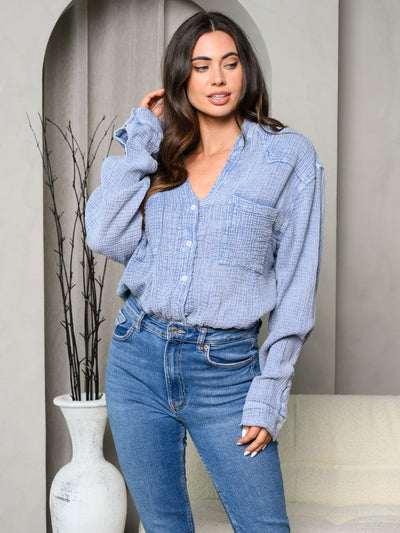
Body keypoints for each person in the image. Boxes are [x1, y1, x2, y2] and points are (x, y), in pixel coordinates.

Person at [85, 10, 324, 533]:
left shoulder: (287, 158)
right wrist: (141, 138)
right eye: (201, 66)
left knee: (264, 526)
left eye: (229, 63)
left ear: (246, 70)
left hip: (227, 372)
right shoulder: (163, 152)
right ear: (181, 78)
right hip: (136, 358)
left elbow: (297, 287)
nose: (218, 78)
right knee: (163, 525)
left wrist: (270, 392)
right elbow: (103, 234)